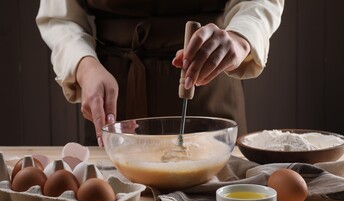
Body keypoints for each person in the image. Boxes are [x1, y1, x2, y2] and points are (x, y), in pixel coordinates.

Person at [36, 0, 284, 146]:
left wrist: (241, 37)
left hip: (210, 83)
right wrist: (84, 66)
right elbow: (60, 18)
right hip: (112, 91)